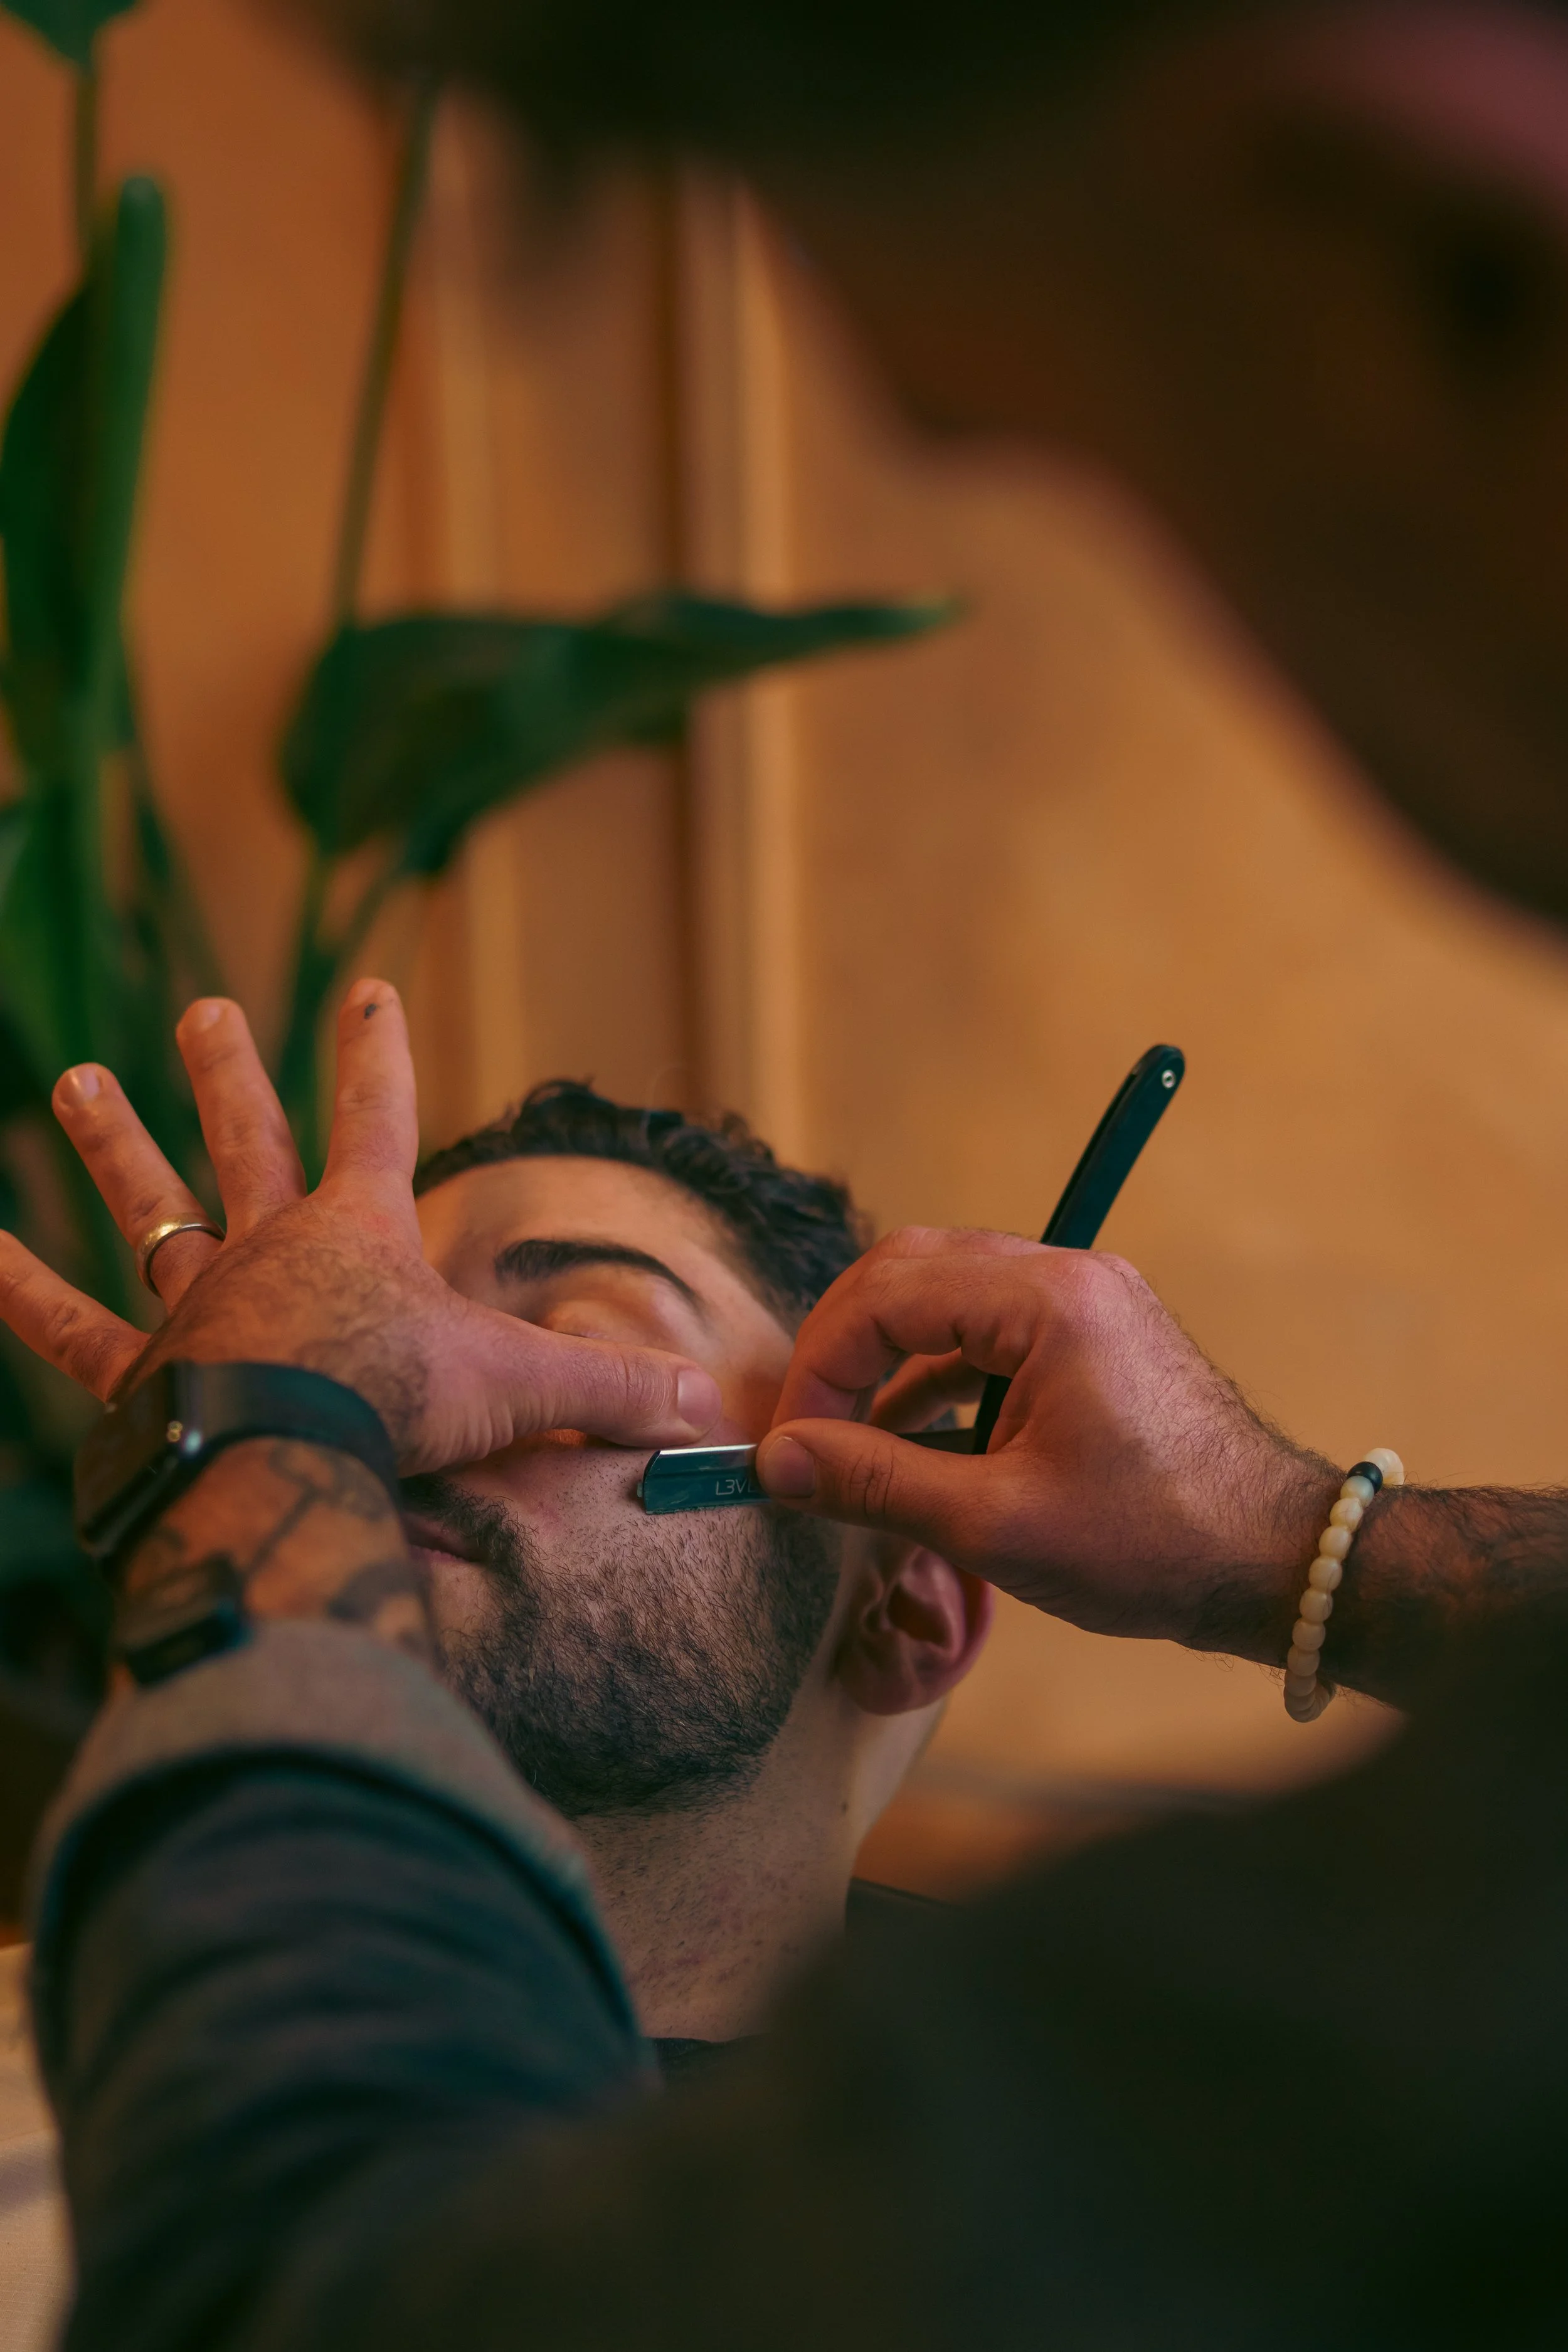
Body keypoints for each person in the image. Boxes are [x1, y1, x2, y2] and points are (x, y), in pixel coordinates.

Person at [13, 0, 1568, 2341]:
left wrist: (257, 1452)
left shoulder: (1177, 2111)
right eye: (364, 1342)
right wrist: (1294, 1540)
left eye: (563, 1318)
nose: (401, 1391)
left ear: (902, 1593)